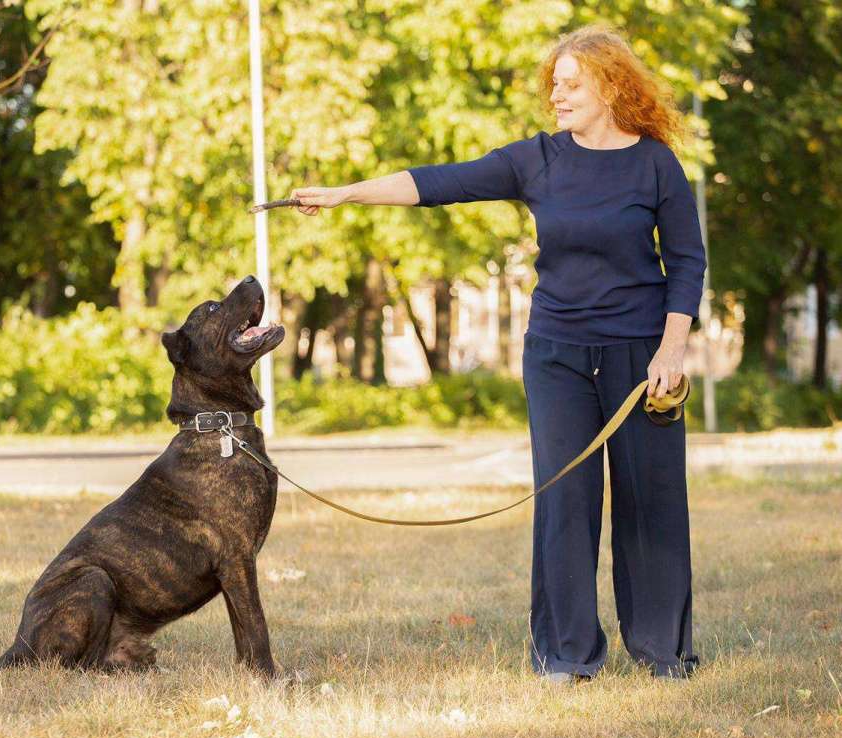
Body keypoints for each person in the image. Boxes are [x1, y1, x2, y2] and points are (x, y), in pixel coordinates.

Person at [288, 23, 705, 683]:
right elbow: (436, 182)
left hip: (641, 355)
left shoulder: (654, 162)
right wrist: (344, 193)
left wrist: (672, 350)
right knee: (565, 501)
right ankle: (566, 655)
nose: (558, 97)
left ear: (611, 86)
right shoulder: (537, 159)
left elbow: (686, 260)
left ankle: (663, 650)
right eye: (555, 85)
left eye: (571, 85)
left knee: (649, 500)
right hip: (558, 355)